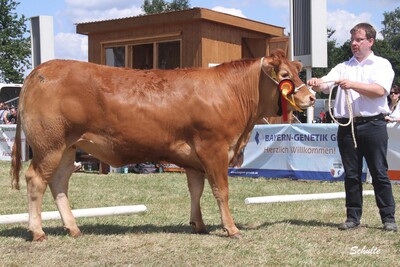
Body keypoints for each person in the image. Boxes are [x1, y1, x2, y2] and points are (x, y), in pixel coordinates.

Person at [307, 23, 397, 232]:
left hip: (373, 124)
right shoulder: (343, 67)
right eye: (352, 40)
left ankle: (388, 218)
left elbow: (379, 90)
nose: (354, 44)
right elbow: (325, 84)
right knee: (351, 174)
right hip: (347, 127)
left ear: (370, 41)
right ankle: (352, 217)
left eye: (359, 40)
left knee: (380, 173)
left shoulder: (382, 65)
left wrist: (351, 84)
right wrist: (316, 82)